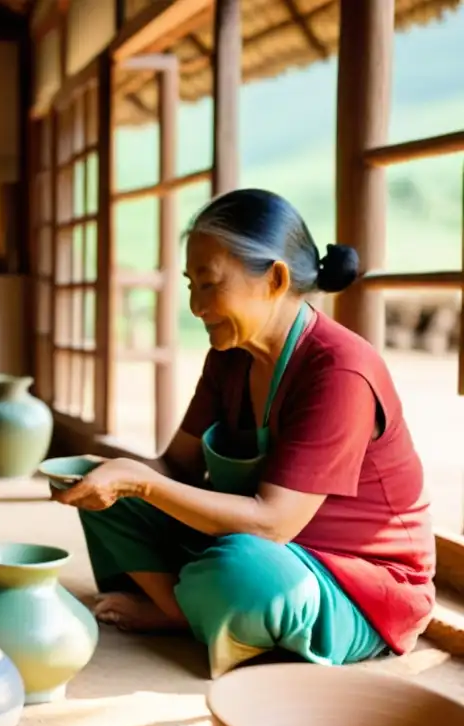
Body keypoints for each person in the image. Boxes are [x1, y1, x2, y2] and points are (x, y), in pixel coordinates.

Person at [52, 189, 435, 679]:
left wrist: (142, 483)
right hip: (252, 540)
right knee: (108, 487)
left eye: (209, 285)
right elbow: (178, 467)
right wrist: (106, 477)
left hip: (351, 585)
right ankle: (192, 605)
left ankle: (180, 609)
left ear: (274, 278)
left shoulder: (339, 369)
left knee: (243, 571)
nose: (195, 306)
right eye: (191, 286)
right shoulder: (229, 354)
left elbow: (274, 524)